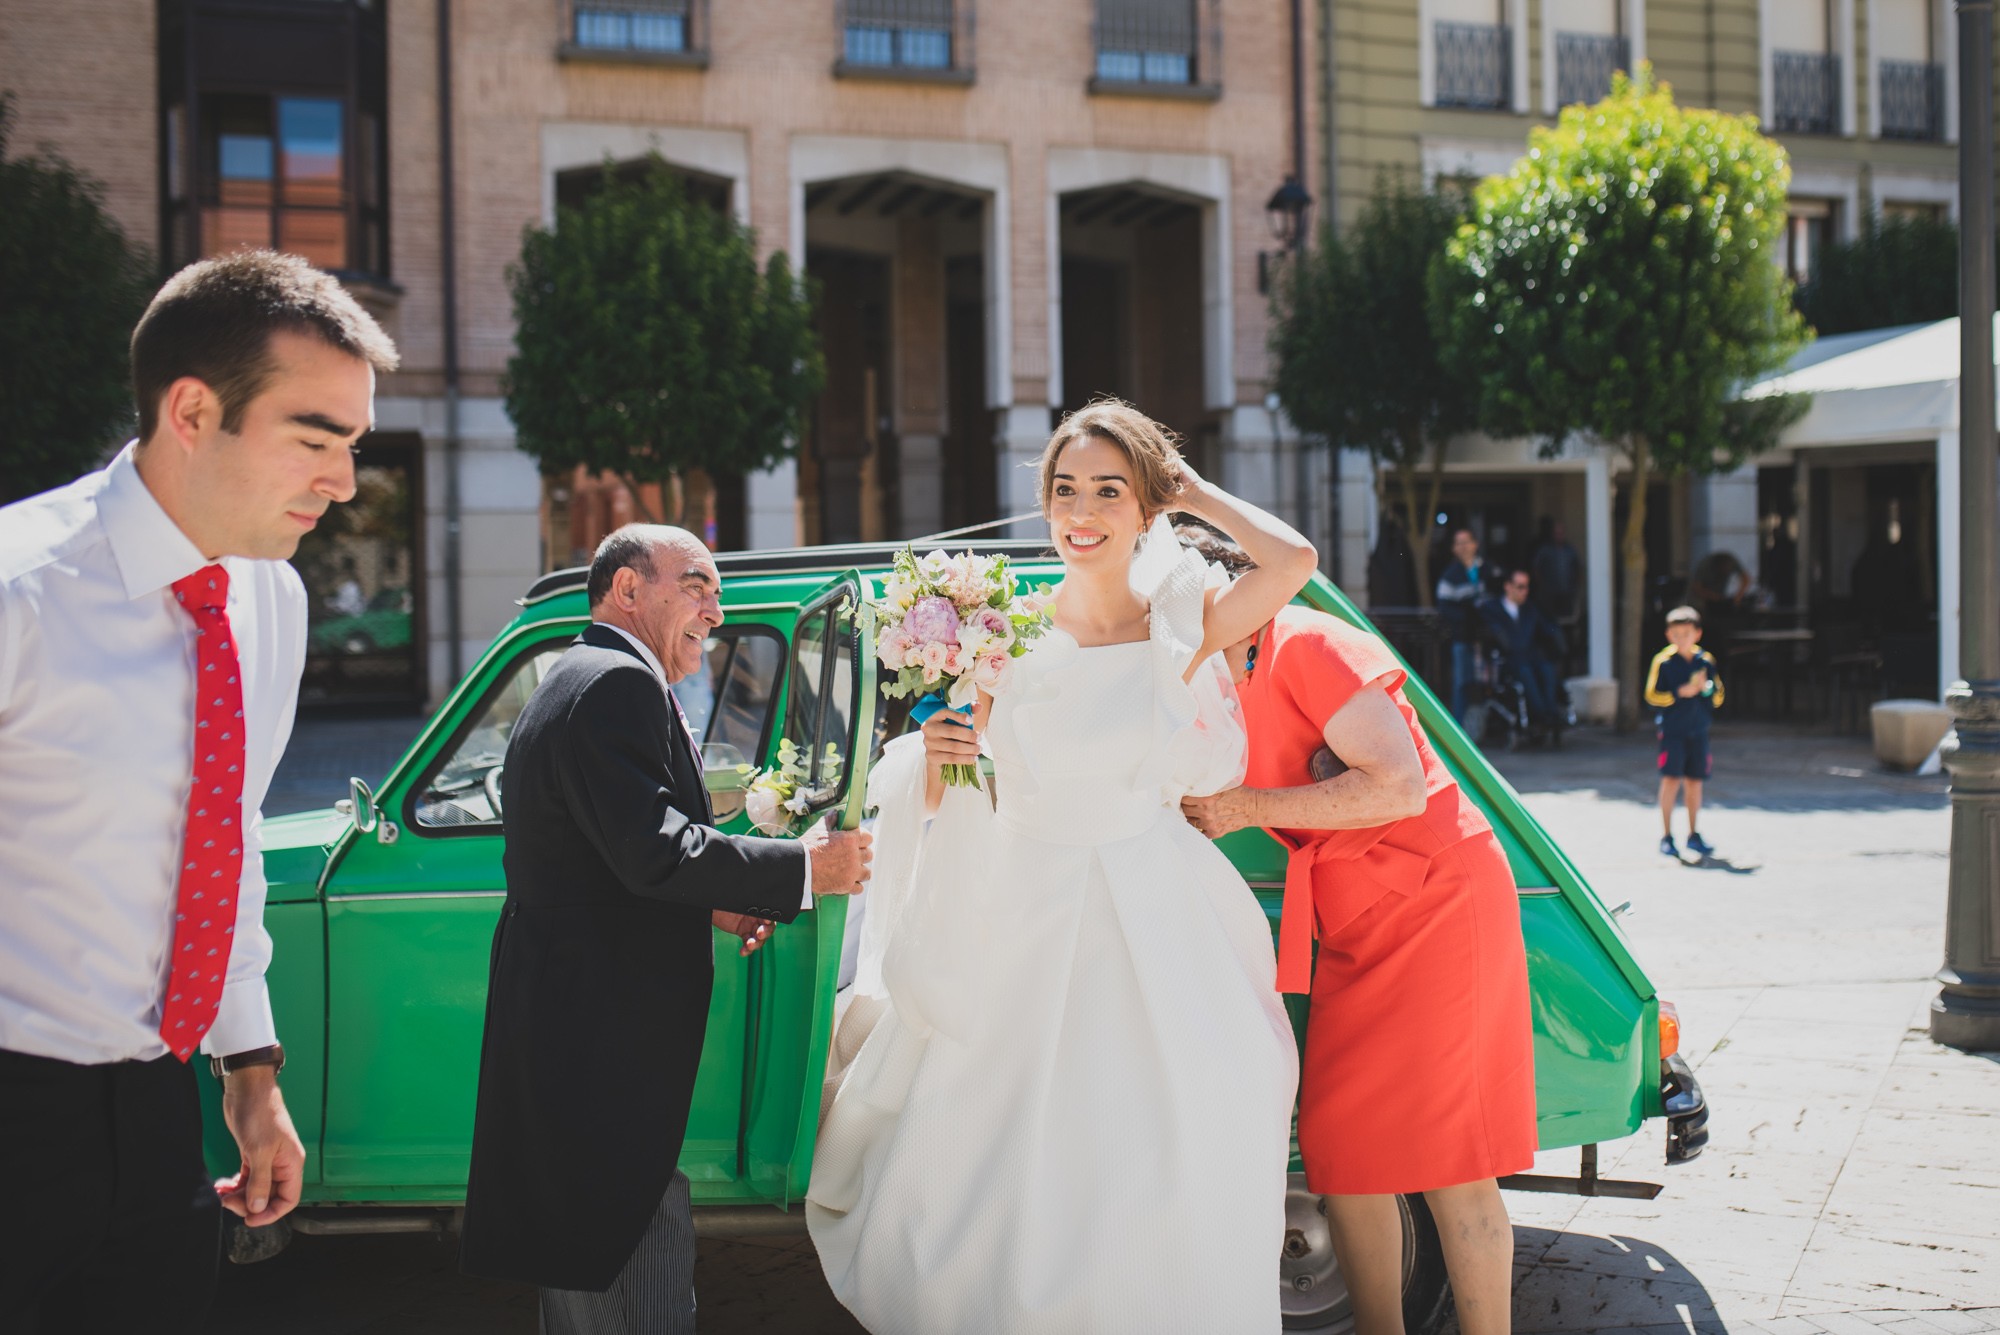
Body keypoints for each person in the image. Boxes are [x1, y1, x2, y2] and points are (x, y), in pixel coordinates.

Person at [806, 400, 1317, 1332]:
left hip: (1159, 915)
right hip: (1023, 910)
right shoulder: (1001, 632)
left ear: (1144, 506)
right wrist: (945, 747)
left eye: (1109, 491)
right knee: (1014, 1159)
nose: (1082, 511)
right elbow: (962, 785)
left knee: (1162, 1147)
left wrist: (1189, 488)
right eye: (1065, 490)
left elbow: (1293, 563)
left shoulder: (1183, 621)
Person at [0, 250, 399, 1331]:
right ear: (190, 410)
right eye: (316, 440)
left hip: (158, 1112)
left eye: (352, 447)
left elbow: (223, 843)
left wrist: (251, 1071)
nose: (345, 482)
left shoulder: (271, 599)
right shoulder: (17, 594)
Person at [459, 524, 872, 1334]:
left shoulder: (588, 675)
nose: (715, 610)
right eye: (696, 584)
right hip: (597, 1037)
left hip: (578, 1028)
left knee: (590, 1250)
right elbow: (656, 847)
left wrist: (711, 900)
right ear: (627, 589)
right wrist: (803, 867)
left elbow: (609, 856)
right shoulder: (613, 684)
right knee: (628, 1234)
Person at [1178, 543, 1536, 1335]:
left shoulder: (1304, 638)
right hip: (1349, 912)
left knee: (1454, 1166)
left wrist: (1243, 806)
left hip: (1435, 898)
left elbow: (1399, 784)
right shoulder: (1208, 679)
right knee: (1343, 1146)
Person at [1645, 605, 1725, 860]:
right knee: (1670, 781)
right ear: (1669, 634)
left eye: (1687, 633)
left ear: (1697, 634)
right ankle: (1667, 836)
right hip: (1672, 731)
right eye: (1676, 634)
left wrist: (1705, 689)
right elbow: (1651, 695)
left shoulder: (1705, 661)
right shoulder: (1663, 661)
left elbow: (1719, 695)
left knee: (1694, 783)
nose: (1682, 639)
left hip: (1699, 730)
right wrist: (1677, 694)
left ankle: (1693, 833)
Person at [1478, 568, 1568, 728]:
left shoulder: (1530, 609)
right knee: (1525, 671)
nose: (1525, 591)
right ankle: (1541, 714)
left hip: (1530, 657)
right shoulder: (1492, 609)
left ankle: (1552, 712)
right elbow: (1499, 637)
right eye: (1520, 587)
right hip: (1508, 660)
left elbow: (1546, 629)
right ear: (1508, 586)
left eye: (1527, 587)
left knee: (1547, 668)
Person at [1434, 527, 1486, 725]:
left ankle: (1483, 726)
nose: (1463, 547)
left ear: (1475, 544)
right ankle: (1459, 728)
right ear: (1454, 549)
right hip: (1462, 637)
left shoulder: (1486, 569)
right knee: (1461, 684)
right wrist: (1468, 617)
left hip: (1486, 639)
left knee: (1485, 684)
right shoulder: (1450, 575)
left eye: (1467, 542)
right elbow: (1444, 607)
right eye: (1459, 543)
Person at [1531, 517, 1583, 626]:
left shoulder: (1570, 550)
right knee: (1550, 621)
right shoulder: (1545, 550)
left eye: (1561, 533)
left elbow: (1578, 567)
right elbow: (1536, 567)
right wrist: (1542, 585)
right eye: (1556, 533)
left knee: (1568, 621)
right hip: (1550, 593)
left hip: (1567, 591)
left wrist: (1576, 585)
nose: (1559, 536)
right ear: (1552, 534)